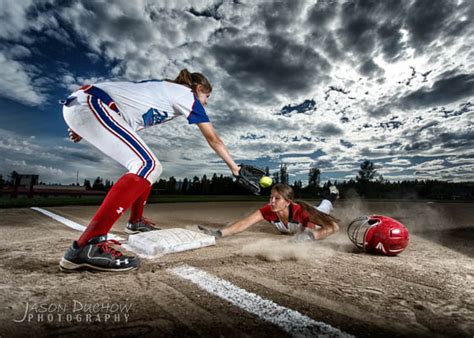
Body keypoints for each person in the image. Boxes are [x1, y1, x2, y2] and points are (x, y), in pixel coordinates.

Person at [59, 69, 240, 272]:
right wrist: (235, 168)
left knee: (148, 165)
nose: (206, 102)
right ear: (198, 89)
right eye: (207, 96)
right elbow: (213, 138)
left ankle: (135, 222)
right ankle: (87, 246)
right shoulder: (186, 94)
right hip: (92, 104)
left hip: (89, 106)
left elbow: (120, 103)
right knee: (147, 165)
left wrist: (82, 126)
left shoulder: (164, 92)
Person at [200, 184, 340, 241]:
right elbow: (244, 223)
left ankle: (332, 194)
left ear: (288, 202)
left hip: (316, 213)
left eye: (277, 198)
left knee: (325, 205)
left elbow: (333, 227)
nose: (272, 202)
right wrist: (219, 233)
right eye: (271, 197)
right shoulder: (269, 210)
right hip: (301, 220)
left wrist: (309, 237)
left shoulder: (301, 212)